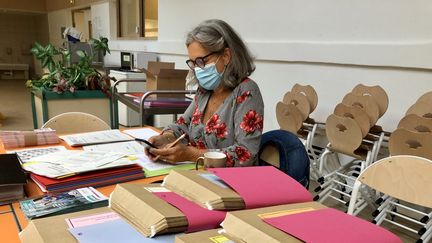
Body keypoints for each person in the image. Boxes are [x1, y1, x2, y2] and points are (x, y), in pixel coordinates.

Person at [146, 19, 264, 167]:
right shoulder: (205, 91)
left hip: (232, 183)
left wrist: (190, 154)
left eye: (201, 61)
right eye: (193, 63)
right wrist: (165, 138)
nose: (197, 69)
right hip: (200, 174)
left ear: (226, 56)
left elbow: (246, 154)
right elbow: (183, 125)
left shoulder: (247, 92)